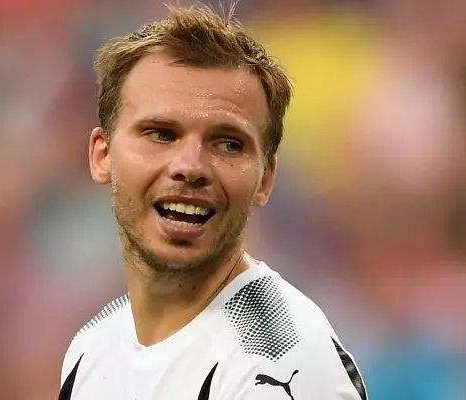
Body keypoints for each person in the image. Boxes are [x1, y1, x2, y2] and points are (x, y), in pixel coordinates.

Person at [58, 4, 367, 399]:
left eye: (228, 144)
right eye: (162, 134)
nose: (191, 166)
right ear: (102, 155)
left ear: (265, 179)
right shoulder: (94, 348)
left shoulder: (278, 363)